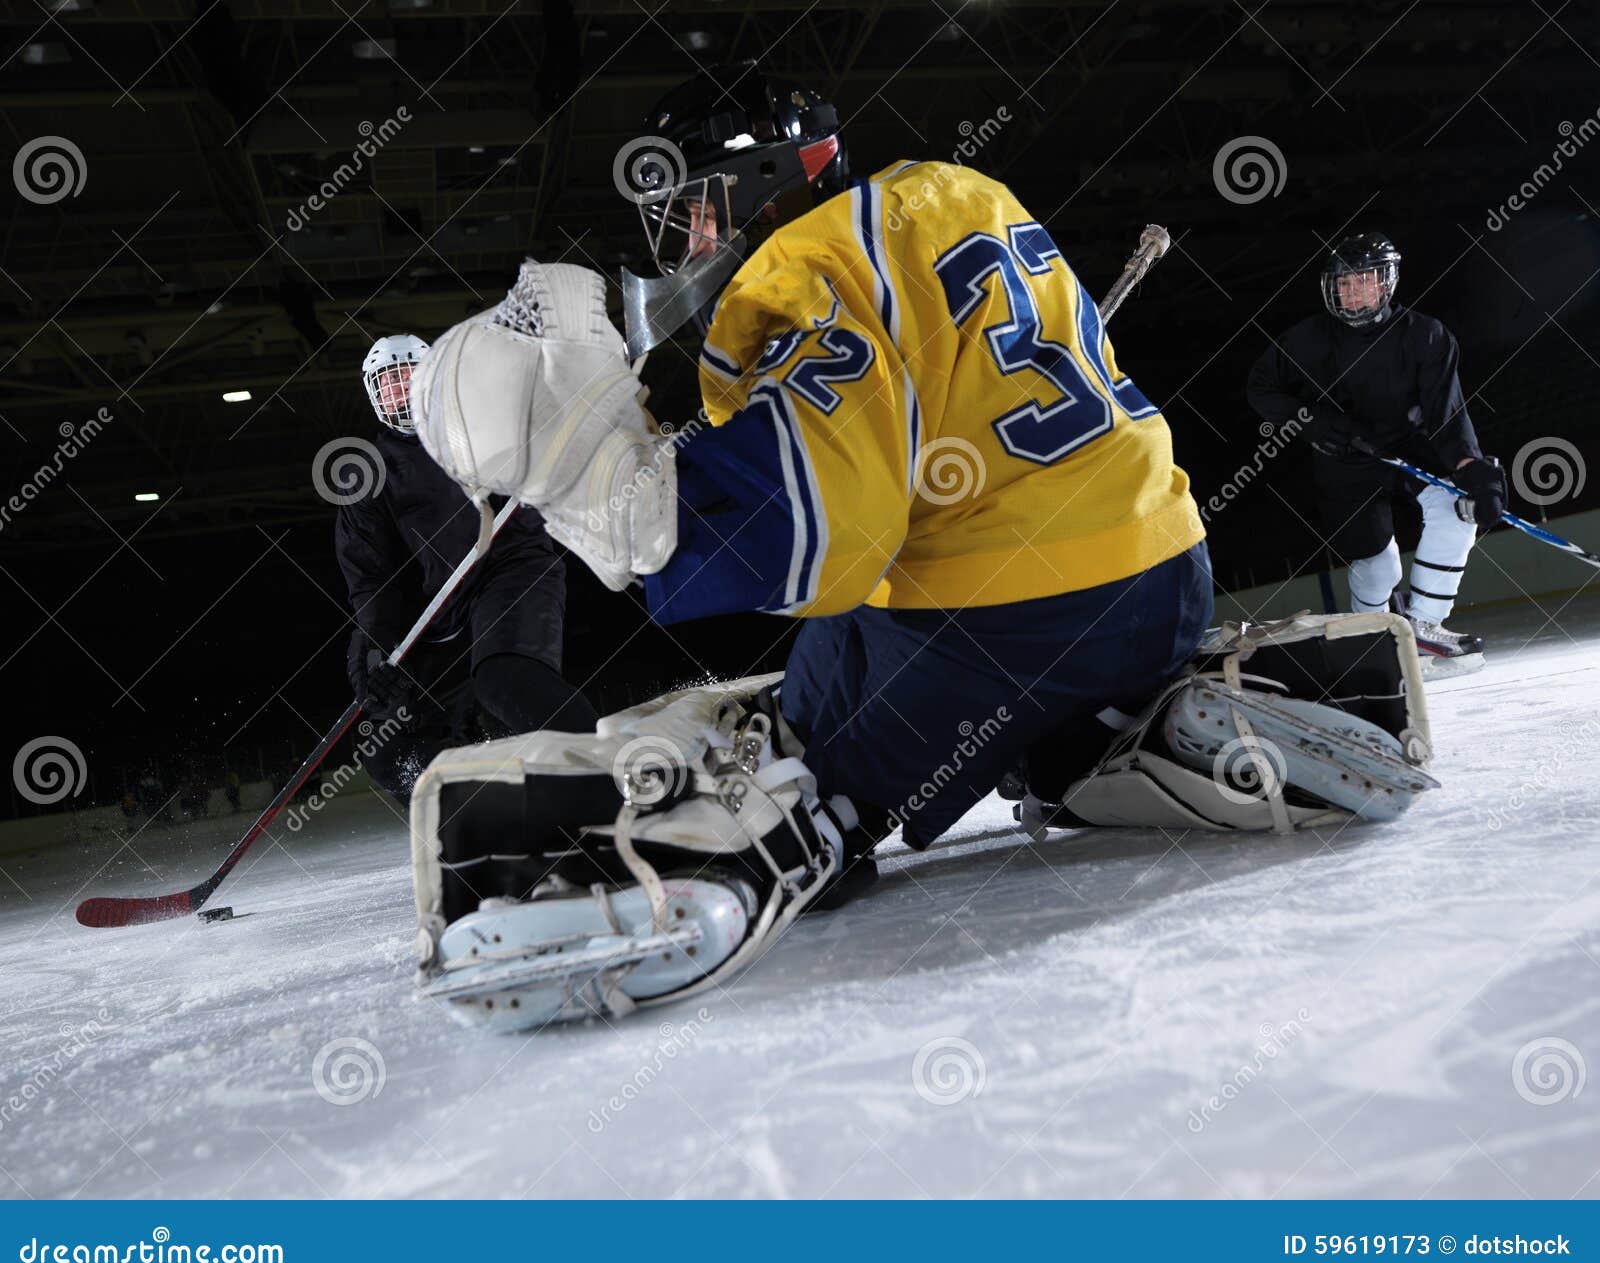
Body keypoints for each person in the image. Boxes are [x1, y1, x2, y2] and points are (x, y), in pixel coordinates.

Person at [398, 67, 1435, 1032]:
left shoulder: (796, 270)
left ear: (767, 176)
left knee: (802, 765)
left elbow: (827, 542)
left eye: (702, 204)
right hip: (1163, 565)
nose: (692, 237)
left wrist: (598, 478)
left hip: (1003, 618)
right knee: (974, 718)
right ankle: (1117, 731)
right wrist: (709, 392)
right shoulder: (951, 188)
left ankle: (750, 855)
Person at [334, 333, 597, 803]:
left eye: (406, 378)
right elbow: (373, 582)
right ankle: (473, 802)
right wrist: (376, 658)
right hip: (439, 615)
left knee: (504, 680)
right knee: (383, 742)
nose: (398, 392)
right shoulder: (370, 474)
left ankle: (604, 774)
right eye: (386, 384)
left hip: (510, 571)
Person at [1246, 233, 1506, 665]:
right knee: (1381, 567)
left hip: (1409, 446)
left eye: (1359, 281)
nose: (1348, 292)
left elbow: (1446, 413)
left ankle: (1424, 625)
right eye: (1341, 284)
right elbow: (1260, 388)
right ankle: (1371, 639)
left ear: (1385, 283)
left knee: (1458, 509)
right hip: (1344, 456)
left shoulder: (1426, 336)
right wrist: (1314, 423)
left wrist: (1470, 467)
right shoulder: (1307, 340)